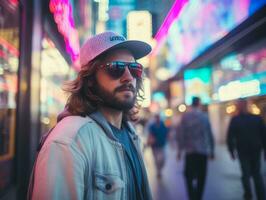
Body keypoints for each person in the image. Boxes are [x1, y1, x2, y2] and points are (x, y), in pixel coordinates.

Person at [28, 31, 153, 200]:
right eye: (115, 68)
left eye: (134, 68)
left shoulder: (130, 133)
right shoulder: (69, 141)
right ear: (90, 78)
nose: (128, 77)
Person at [226, 99, 266, 200]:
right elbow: (230, 137)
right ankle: (256, 195)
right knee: (253, 174)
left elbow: (264, 136)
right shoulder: (255, 119)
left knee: (249, 174)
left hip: (248, 150)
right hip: (249, 150)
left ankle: (251, 195)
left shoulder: (237, 120)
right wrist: (231, 151)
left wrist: (231, 151)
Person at [176, 96, 214, 200]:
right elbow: (209, 133)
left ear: (191, 104)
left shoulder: (185, 117)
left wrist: (179, 151)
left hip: (190, 152)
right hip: (203, 151)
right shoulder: (204, 116)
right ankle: (198, 196)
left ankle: (192, 196)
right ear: (199, 104)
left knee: (188, 176)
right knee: (202, 176)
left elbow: (181, 135)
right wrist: (212, 151)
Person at [147, 114, 169, 179]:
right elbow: (150, 134)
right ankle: (158, 171)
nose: (158, 119)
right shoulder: (152, 126)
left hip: (162, 144)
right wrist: (149, 141)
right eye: (156, 118)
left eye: (158, 117)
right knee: (156, 159)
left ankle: (160, 169)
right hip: (154, 146)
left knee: (163, 159)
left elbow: (167, 132)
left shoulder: (164, 124)